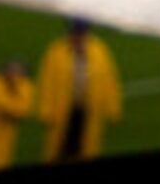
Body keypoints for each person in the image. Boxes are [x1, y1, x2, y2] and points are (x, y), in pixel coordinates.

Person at [36, 19, 122, 162]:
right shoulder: (56, 51)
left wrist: (113, 109)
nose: (77, 37)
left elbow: (109, 81)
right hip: (62, 111)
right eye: (74, 32)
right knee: (59, 148)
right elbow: (46, 81)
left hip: (88, 111)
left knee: (85, 147)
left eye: (81, 33)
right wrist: (45, 110)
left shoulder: (100, 51)